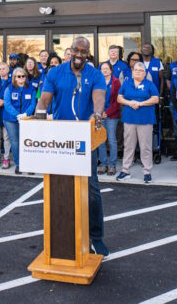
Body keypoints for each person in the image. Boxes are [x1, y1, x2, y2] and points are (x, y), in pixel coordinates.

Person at [34, 36, 108, 256]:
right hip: (60, 139)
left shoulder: (94, 75)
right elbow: (45, 99)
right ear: (70, 50)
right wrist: (38, 117)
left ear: (88, 54)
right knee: (59, 187)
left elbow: (99, 97)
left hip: (85, 139)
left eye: (83, 52)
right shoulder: (56, 72)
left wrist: (97, 114)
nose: (79, 54)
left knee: (92, 190)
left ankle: (96, 237)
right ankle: (60, 236)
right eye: (76, 50)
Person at [116, 62, 160, 183]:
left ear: (145, 73)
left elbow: (155, 99)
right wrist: (130, 103)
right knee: (128, 146)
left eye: (141, 70)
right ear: (132, 71)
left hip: (145, 120)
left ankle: (147, 172)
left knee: (145, 147)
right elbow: (119, 98)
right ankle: (125, 171)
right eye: (136, 70)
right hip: (129, 119)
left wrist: (140, 103)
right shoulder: (126, 83)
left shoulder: (149, 84)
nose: (138, 72)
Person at [3, 67, 36, 174]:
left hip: (27, 119)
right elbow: (7, 104)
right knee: (15, 142)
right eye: (19, 76)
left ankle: (30, 165)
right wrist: (18, 115)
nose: (21, 78)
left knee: (28, 142)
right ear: (14, 78)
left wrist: (26, 114)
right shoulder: (9, 88)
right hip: (11, 120)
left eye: (23, 76)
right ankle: (18, 164)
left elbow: (33, 103)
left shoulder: (31, 88)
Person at [140, 42, 165, 164]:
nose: (146, 49)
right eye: (144, 47)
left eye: (148, 47)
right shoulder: (138, 63)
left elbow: (161, 80)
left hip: (153, 99)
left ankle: (154, 148)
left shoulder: (157, 62)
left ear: (152, 50)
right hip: (140, 99)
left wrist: (160, 96)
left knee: (153, 125)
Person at [99, 61, 121, 176]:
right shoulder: (98, 81)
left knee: (112, 140)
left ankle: (112, 165)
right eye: (103, 69)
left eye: (107, 68)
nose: (105, 70)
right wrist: (99, 112)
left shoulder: (116, 82)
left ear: (111, 70)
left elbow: (118, 101)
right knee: (101, 140)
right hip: (99, 114)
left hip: (112, 115)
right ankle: (103, 164)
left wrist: (107, 113)